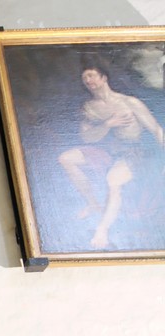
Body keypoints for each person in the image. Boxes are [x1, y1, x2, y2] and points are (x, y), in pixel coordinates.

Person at [58, 63, 164, 249]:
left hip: (133, 152)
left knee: (113, 180)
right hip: (108, 151)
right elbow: (87, 137)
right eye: (85, 78)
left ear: (104, 78)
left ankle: (102, 229)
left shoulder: (129, 102)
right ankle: (93, 204)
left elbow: (156, 129)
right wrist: (108, 124)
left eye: (91, 75)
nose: (88, 80)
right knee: (66, 158)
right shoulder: (89, 108)